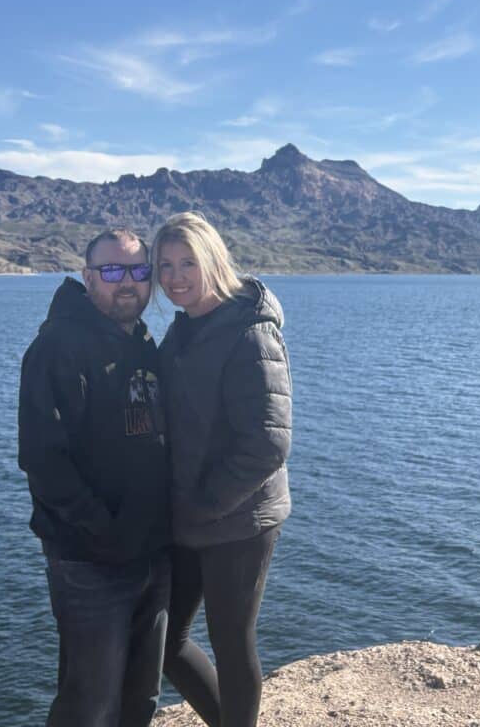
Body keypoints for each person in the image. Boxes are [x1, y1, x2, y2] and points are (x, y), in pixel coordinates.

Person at [18, 229, 171, 727]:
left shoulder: (141, 341)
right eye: (111, 271)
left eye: (139, 270)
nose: (127, 282)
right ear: (88, 278)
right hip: (89, 562)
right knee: (89, 704)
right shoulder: (57, 347)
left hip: (152, 553)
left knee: (140, 697)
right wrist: (105, 532)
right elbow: (43, 461)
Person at [153, 212, 292, 727]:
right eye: (165, 265)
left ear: (213, 259)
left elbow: (268, 442)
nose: (176, 277)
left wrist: (206, 502)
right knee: (166, 640)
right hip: (190, 512)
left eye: (188, 262)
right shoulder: (185, 327)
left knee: (231, 640)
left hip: (240, 517)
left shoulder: (250, 332)